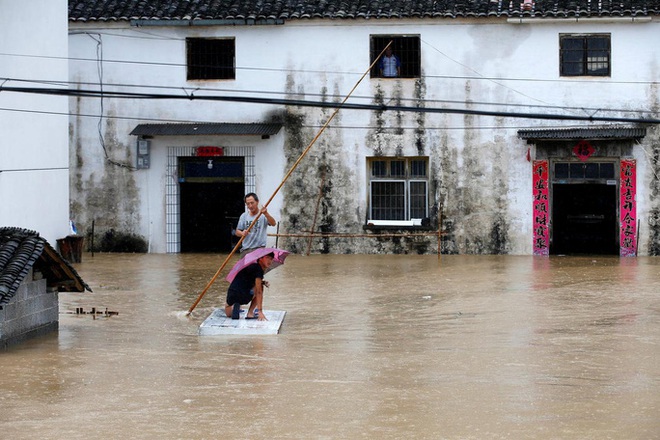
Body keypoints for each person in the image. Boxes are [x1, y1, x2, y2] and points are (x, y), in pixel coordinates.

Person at [225, 252, 273, 321]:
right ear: (261, 259)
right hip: (244, 296)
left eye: (271, 259)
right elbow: (259, 292)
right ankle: (250, 313)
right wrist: (260, 311)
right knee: (260, 287)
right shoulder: (259, 270)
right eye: (267, 258)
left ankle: (234, 304)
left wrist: (262, 282)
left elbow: (246, 280)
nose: (269, 261)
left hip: (232, 293)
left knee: (229, 314)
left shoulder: (250, 266)